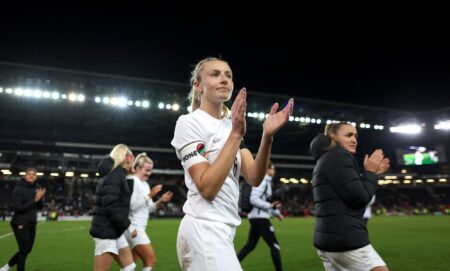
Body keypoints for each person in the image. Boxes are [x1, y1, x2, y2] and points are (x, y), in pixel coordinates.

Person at [171, 57, 294, 271]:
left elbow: (255, 177)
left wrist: (267, 137)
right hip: (204, 229)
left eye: (228, 75)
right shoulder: (189, 123)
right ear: (198, 86)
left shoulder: (230, 126)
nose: (224, 79)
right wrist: (236, 134)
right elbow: (207, 187)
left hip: (224, 230)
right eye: (215, 74)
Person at [310, 122, 390, 271]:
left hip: (329, 238)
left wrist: (373, 174)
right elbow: (360, 200)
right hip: (344, 238)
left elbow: (352, 200)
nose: (354, 139)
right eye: (348, 135)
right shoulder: (339, 156)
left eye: (355, 136)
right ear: (333, 136)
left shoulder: (327, 159)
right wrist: (370, 172)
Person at [89, 144, 136, 271]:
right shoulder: (115, 175)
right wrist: (129, 226)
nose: (134, 161)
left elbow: (122, 201)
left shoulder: (118, 174)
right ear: (128, 158)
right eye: (133, 158)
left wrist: (130, 175)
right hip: (106, 231)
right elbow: (111, 205)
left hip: (114, 230)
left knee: (129, 266)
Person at [124, 152, 173, 271]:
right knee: (150, 260)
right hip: (133, 227)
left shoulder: (144, 184)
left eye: (150, 170)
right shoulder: (132, 180)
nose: (149, 173)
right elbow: (131, 206)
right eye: (146, 170)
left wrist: (161, 201)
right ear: (136, 168)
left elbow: (149, 208)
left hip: (138, 227)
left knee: (130, 264)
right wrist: (150, 194)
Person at [237, 161, 284, 271]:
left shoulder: (266, 182)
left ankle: (231, 265)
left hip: (256, 218)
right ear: (267, 170)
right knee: (275, 246)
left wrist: (277, 214)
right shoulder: (263, 182)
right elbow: (254, 199)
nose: (274, 171)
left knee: (250, 246)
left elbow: (266, 204)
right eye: (273, 168)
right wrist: (270, 206)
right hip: (260, 219)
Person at [1, 168, 45, 271]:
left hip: (32, 222)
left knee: (27, 249)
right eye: (29, 174)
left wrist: (40, 199)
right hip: (20, 222)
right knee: (24, 249)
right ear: (25, 175)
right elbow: (18, 208)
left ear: (36, 176)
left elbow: (40, 206)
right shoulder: (19, 188)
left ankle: (6, 267)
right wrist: (35, 200)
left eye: (33, 174)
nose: (31, 176)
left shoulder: (37, 187)